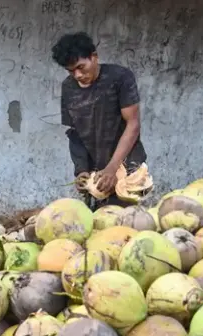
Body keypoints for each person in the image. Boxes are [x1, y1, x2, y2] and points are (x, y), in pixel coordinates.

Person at [52, 32, 147, 209]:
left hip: (127, 163)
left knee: (127, 221)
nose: (78, 75)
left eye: (81, 67)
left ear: (94, 57)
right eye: (71, 71)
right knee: (98, 222)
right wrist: (81, 170)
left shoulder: (120, 78)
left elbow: (133, 124)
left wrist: (113, 167)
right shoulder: (68, 88)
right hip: (95, 169)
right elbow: (75, 134)